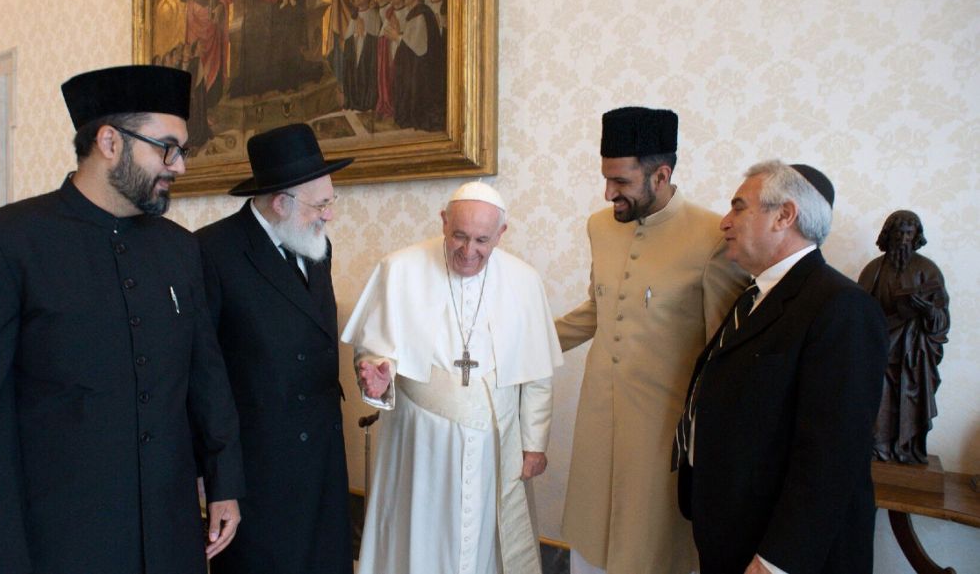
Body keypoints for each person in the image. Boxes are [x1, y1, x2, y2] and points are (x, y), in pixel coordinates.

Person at [0, 65, 245, 574]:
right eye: (167, 147)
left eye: (182, 150)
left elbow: (206, 376)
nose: (180, 166)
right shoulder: (2, 245)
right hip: (60, 543)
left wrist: (224, 482)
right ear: (110, 142)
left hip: (170, 537)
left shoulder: (181, 250)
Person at [555, 107, 748, 574]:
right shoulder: (600, 226)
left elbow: (724, 350)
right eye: (605, 179)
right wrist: (514, 343)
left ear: (661, 175)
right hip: (599, 415)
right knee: (589, 538)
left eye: (621, 182)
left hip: (664, 430)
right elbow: (597, 312)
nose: (608, 194)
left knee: (654, 550)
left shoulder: (712, 236)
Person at [675, 160, 887, 574]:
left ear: (784, 216)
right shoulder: (755, 297)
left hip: (780, 553)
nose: (724, 222)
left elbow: (833, 454)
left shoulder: (841, 306)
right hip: (732, 531)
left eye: (739, 207)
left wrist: (778, 560)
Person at [343, 181, 564, 574]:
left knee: (486, 543)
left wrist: (533, 445)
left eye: (482, 240)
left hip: (495, 443)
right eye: (459, 236)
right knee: (419, 537)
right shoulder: (400, 268)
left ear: (501, 234)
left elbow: (536, 375)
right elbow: (373, 354)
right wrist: (377, 378)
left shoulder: (524, 281)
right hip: (420, 443)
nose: (468, 250)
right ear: (444, 222)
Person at [195, 123, 354, 574]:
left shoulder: (314, 242)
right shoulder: (212, 251)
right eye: (321, 204)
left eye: (331, 201)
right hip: (260, 469)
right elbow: (205, 375)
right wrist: (218, 482)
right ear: (281, 202)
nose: (330, 215)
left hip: (322, 457)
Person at [858, 210, 949, 464]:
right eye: (899, 232)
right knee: (878, 398)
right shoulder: (874, 269)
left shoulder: (927, 270)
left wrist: (926, 309)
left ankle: (907, 447)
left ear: (916, 236)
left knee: (911, 399)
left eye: (909, 233)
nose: (904, 238)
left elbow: (941, 317)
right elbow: (858, 310)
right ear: (889, 234)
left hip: (914, 353)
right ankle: (879, 447)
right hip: (880, 347)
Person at [392, 0, 445, 132]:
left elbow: (416, 46)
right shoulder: (417, 12)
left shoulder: (421, 13)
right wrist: (400, 35)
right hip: (419, 64)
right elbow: (413, 40)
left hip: (422, 68)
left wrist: (397, 37)